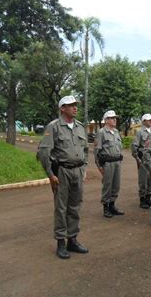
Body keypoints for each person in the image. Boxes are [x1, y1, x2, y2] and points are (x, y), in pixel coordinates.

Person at [37, 95, 89, 259]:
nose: (75, 108)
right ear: (62, 108)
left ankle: (72, 240)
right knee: (61, 208)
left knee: (75, 206)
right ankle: (60, 242)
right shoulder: (54, 127)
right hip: (62, 172)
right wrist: (50, 174)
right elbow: (43, 152)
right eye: (71, 105)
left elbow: (86, 150)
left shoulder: (80, 127)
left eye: (75, 105)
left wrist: (84, 168)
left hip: (77, 172)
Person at [94, 110, 124, 219]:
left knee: (116, 185)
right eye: (112, 118)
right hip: (107, 163)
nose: (115, 120)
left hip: (116, 162)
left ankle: (112, 205)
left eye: (115, 118)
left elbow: (119, 148)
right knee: (107, 186)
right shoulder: (101, 132)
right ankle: (106, 207)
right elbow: (96, 151)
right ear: (106, 120)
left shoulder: (116, 132)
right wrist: (99, 167)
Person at [131, 114, 151, 209]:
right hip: (143, 160)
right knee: (143, 180)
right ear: (144, 121)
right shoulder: (140, 132)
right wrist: (138, 159)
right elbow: (134, 147)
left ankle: (148, 197)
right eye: (148, 120)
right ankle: (142, 199)